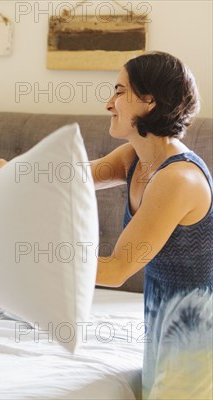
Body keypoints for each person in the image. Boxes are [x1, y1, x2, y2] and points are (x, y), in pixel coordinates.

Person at [90, 51, 212, 399]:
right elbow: (71, 177)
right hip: (162, 324)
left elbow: (114, 271)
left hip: (196, 338)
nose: (108, 104)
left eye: (118, 91)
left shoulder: (178, 179)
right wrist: (10, 171)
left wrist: (32, 261)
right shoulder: (137, 157)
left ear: (149, 101)